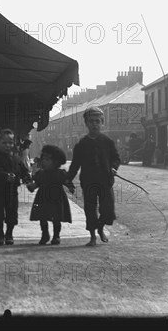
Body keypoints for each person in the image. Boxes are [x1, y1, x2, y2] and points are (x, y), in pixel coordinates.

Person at [66, 106, 120, 247]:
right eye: (91, 121)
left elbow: (116, 158)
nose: (94, 124)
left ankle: (101, 228)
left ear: (102, 122)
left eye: (97, 121)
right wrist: (68, 179)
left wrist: (114, 167)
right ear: (86, 123)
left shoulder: (107, 142)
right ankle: (92, 237)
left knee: (107, 210)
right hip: (88, 181)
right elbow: (75, 165)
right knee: (90, 210)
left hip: (105, 181)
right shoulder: (81, 145)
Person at [0, 128, 32, 246]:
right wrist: (6, 176)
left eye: (10, 143)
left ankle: (9, 234)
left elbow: (23, 170)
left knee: (12, 212)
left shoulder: (16, 158)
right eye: (4, 143)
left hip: (12, 190)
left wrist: (27, 179)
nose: (7, 145)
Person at [27, 144, 75, 245]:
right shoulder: (41, 173)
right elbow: (37, 183)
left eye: (47, 160)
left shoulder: (60, 173)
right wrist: (32, 186)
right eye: (43, 159)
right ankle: (45, 234)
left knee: (56, 217)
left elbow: (66, 180)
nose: (44, 162)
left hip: (56, 198)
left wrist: (70, 186)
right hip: (43, 197)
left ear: (55, 162)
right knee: (42, 217)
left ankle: (56, 235)